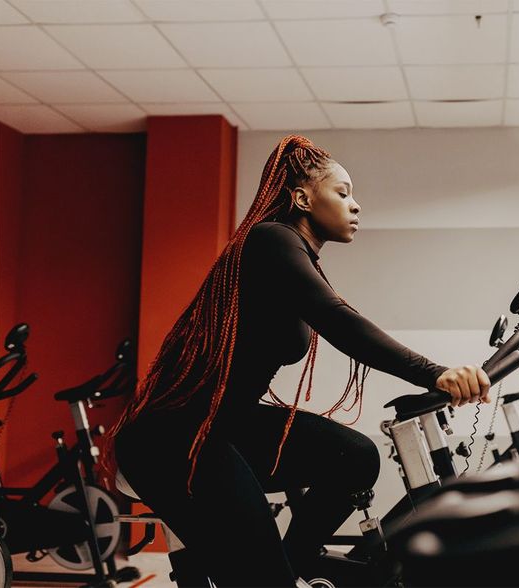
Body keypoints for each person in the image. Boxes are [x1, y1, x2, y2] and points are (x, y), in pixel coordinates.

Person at [108, 135, 490, 587]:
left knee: (355, 457)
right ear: (302, 198)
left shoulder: (292, 254)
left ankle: (295, 566)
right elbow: (340, 322)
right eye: (343, 192)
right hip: (173, 438)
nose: (356, 205)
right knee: (260, 575)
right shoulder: (272, 240)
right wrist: (436, 372)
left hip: (225, 427)